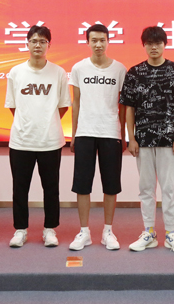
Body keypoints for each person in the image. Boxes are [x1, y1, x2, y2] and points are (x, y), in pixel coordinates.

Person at [120, 26, 174, 254]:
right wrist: (131, 138)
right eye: (150, 43)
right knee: (145, 188)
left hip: (169, 140)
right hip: (142, 140)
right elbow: (129, 108)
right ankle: (149, 232)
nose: (154, 47)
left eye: (158, 43)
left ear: (164, 44)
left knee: (169, 188)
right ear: (144, 45)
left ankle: (171, 233)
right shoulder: (134, 73)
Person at [5, 25, 70, 248]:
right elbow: (13, 106)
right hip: (21, 140)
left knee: (51, 188)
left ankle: (50, 229)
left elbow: (63, 106)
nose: (38, 45)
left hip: (50, 140)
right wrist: (28, 122)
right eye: (34, 41)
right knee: (19, 188)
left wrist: (46, 122)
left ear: (49, 45)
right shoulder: (16, 72)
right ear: (27, 43)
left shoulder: (58, 72)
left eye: (43, 41)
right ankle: (20, 230)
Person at [68, 24, 127, 251]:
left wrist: (123, 134)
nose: (98, 44)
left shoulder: (119, 69)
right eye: (94, 40)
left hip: (110, 132)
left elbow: (123, 106)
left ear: (108, 41)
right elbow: (76, 103)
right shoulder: (79, 68)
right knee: (82, 185)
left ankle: (107, 231)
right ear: (88, 42)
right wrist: (74, 133)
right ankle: (84, 231)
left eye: (102, 40)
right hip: (85, 132)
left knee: (111, 185)